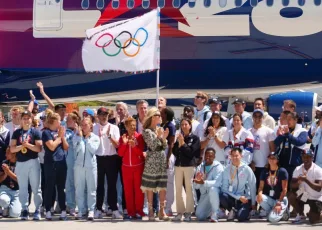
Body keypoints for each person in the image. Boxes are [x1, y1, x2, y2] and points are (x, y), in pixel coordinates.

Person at [10, 110, 42, 220]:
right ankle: (24, 209)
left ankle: (37, 208)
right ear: (21, 120)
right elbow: (12, 148)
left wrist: (27, 145)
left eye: (28, 118)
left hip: (33, 161)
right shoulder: (17, 133)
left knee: (36, 187)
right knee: (23, 188)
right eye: (24, 118)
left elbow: (38, 148)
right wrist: (21, 147)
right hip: (21, 162)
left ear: (31, 119)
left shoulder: (35, 132)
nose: (26, 120)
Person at [93, 107, 122, 219]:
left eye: (105, 114)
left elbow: (117, 145)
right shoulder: (94, 127)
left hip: (111, 158)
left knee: (112, 185)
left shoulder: (114, 128)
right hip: (98, 158)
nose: (103, 116)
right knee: (99, 185)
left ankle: (114, 208)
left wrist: (109, 136)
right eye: (101, 114)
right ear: (98, 116)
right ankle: (99, 209)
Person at [141, 108, 169, 221]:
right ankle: (151, 211)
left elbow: (164, 146)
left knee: (162, 187)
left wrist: (164, 138)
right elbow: (153, 146)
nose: (160, 116)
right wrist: (160, 137)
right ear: (152, 117)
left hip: (161, 160)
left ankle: (162, 211)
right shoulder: (147, 131)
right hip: (152, 161)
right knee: (150, 187)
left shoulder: (160, 129)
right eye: (157, 114)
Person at [172, 118, 201, 222]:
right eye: (182, 125)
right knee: (178, 189)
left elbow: (191, 153)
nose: (184, 126)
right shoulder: (179, 137)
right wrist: (178, 143)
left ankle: (188, 212)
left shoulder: (195, 138)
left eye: (186, 124)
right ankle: (180, 212)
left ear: (190, 126)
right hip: (178, 165)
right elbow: (175, 151)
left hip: (189, 166)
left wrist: (183, 144)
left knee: (189, 189)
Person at [42, 110, 69, 220]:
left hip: (61, 162)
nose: (61, 122)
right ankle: (48, 209)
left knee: (61, 188)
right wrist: (59, 137)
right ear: (54, 121)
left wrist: (62, 137)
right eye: (59, 120)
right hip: (50, 163)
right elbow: (51, 146)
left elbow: (66, 147)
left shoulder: (60, 132)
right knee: (50, 187)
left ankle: (63, 209)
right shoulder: (46, 133)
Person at [118, 117, 145, 220]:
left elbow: (141, 154)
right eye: (130, 125)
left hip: (138, 167)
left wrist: (134, 146)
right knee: (128, 191)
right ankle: (131, 212)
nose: (133, 127)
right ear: (126, 127)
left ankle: (139, 211)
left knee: (138, 191)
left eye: (134, 125)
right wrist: (124, 144)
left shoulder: (139, 137)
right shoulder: (122, 138)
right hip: (126, 168)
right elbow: (120, 154)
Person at [73, 118, 100, 220]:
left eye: (86, 125)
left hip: (91, 167)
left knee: (91, 189)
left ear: (90, 126)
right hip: (79, 167)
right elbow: (76, 150)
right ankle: (80, 209)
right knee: (79, 189)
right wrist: (80, 138)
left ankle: (91, 210)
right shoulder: (76, 137)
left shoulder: (95, 138)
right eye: (82, 125)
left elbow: (93, 150)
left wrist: (87, 139)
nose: (84, 127)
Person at [220, 147, 257, 222]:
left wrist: (253, 203)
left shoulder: (247, 169)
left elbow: (252, 186)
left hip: (244, 199)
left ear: (241, 156)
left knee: (241, 218)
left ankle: (239, 212)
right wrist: (238, 197)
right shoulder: (226, 169)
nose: (234, 158)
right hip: (233, 197)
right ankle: (232, 210)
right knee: (222, 195)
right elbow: (224, 188)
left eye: (236, 155)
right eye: (232, 156)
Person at [274, 112, 308, 189]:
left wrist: (288, 134)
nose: (287, 121)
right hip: (282, 164)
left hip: (294, 165)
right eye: (287, 119)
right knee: (281, 187)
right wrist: (281, 135)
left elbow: (299, 142)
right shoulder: (285, 129)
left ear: (295, 120)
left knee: (292, 187)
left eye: (290, 119)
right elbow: (276, 142)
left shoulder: (302, 131)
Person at [289, 149, 322, 224]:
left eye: (308, 157)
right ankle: (301, 214)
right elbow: (291, 185)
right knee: (291, 195)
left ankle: (318, 214)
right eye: (304, 157)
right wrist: (298, 182)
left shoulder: (318, 170)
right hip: (305, 195)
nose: (306, 159)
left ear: (312, 158)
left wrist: (306, 180)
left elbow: (318, 188)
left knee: (313, 220)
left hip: (317, 197)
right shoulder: (298, 169)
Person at [256, 153, 289, 223]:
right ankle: (272, 212)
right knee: (258, 197)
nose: (271, 160)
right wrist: (259, 194)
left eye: (273, 158)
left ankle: (284, 212)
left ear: (277, 160)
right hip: (270, 199)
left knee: (272, 219)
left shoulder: (282, 171)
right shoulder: (264, 171)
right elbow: (261, 187)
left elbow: (284, 189)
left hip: (280, 199)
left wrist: (279, 202)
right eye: (269, 158)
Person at [194, 148, 224, 222]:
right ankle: (213, 210)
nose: (208, 157)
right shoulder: (200, 167)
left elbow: (218, 182)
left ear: (214, 157)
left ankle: (215, 213)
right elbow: (196, 187)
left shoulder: (218, 166)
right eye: (206, 155)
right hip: (204, 194)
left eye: (210, 156)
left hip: (216, 193)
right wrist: (197, 182)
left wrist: (204, 182)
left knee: (213, 189)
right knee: (199, 216)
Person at [250, 109, 275, 192]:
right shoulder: (248, 131)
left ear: (263, 118)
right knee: (253, 189)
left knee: (263, 190)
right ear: (252, 117)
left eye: (260, 116)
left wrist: (270, 163)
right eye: (255, 116)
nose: (257, 118)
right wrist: (250, 162)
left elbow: (272, 148)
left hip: (264, 166)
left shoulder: (269, 131)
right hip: (252, 166)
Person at [65, 111, 81, 216]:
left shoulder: (81, 130)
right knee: (69, 184)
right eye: (66, 120)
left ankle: (81, 206)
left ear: (75, 121)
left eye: (69, 120)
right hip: (69, 161)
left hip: (80, 161)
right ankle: (71, 206)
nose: (67, 122)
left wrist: (78, 132)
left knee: (80, 184)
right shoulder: (65, 131)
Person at [160, 107, 176, 216]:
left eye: (162, 113)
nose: (160, 114)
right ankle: (162, 206)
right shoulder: (162, 125)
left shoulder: (171, 126)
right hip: (161, 154)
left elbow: (171, 144)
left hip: (168, 155)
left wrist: (167, 159)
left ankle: (169, 207)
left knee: (169, 183)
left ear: (166, 114)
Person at [0, 149, 21, 218]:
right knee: (3, 200)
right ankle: (5, 207)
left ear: (14, 154)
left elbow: (20, 181)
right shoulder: (4, 163)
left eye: (8, 153)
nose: (5, 155)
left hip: (17, 191)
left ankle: (10, 208)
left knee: (15, 214)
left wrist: (9, 172)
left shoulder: (20, 163)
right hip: (5, 189)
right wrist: (5, 174)